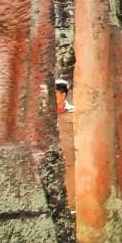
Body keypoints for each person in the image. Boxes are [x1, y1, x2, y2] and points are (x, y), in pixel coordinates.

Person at [54, 80, 76, 210]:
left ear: (63, 95)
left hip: (69, 160)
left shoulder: (74, 113)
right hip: (52, 159)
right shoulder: (46, 113)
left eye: (55, 93)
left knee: (70, 192)